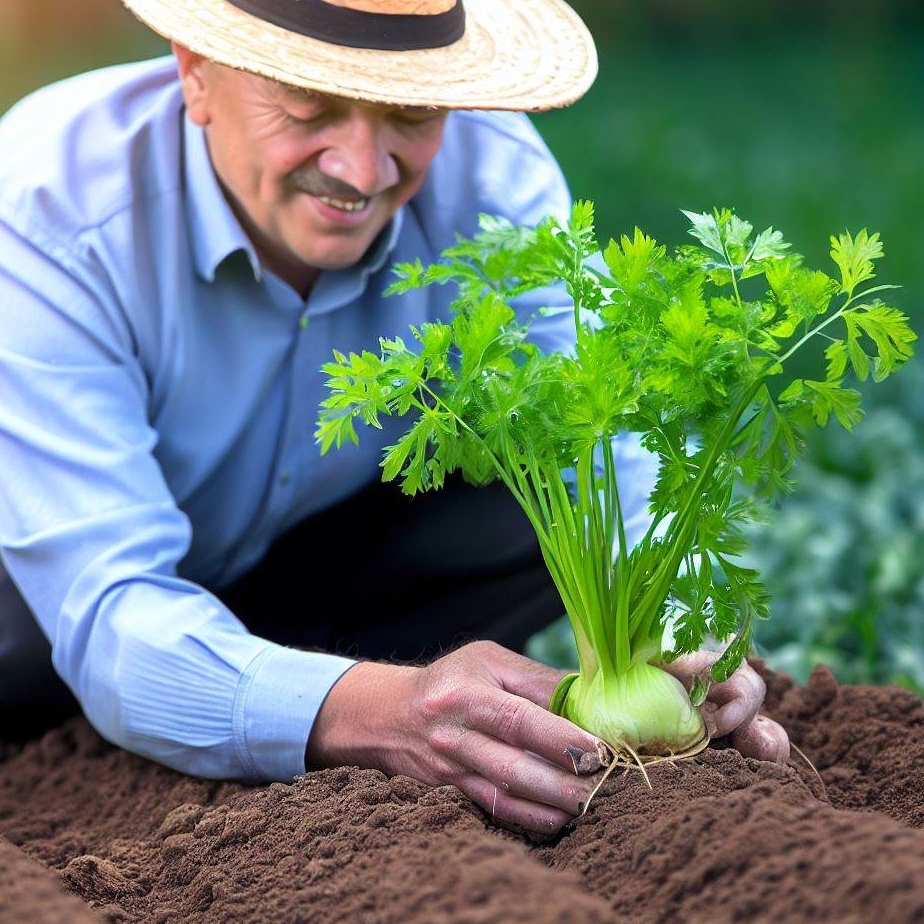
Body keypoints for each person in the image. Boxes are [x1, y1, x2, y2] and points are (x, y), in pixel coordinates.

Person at [0, 0, 788, 834]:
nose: (363, 170)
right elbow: (109, 609)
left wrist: (672, 622)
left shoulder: (490, 171)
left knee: (545, 492)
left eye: (411, 114)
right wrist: (390, 712)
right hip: (33, 602)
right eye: (307, 108)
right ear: (195, 71)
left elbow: (611, 433)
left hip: (298, 565)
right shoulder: (49, 207)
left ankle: (261, 684)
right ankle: (251, 695)